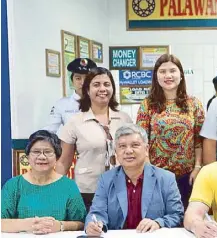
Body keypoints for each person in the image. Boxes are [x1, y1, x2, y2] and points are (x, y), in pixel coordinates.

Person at [84, 124, 184, 236]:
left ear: (146, 149)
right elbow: (97, 213)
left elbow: (177, 215)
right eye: (122, 146)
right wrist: (94, 225)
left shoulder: (166, 178)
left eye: (135, 145)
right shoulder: (106, 179)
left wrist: (158, 223)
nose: (128, 151)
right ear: (116, 151)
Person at [57, 67, 133, 212]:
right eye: (96, 85)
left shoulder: (125, 119)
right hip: (87, 191)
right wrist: (56, 191)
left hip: (122, 188)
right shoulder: (75, 122)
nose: (102, 89)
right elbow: (63, 162)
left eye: (107, 84)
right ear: (87, 90)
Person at [136, 54, 205, 210]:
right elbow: (141, 141)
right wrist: (149, 172)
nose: (168, 75)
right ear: (156, 76)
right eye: (162, 71)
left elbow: (198, 141)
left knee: (186, 220)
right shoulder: (147, 105)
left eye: (173, 71)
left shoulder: (193, 104)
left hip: (187, 177)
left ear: (181, 75)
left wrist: (197, 168)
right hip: (156, 176)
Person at [1, 130, 86, 234]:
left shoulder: (68, 186)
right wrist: (27, 224)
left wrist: (60, 225)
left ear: (57, 156)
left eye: (48, 152)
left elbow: (81, 223)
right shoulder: (13, 185)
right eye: (36, 152)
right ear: (27, 156)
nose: (42, 157)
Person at [43, 58, 97, 134]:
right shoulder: (62, 104)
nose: (83, 83)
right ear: (72, 81)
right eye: (78, 78)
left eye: (87, 78)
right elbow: (50, 129)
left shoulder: (101, 102)